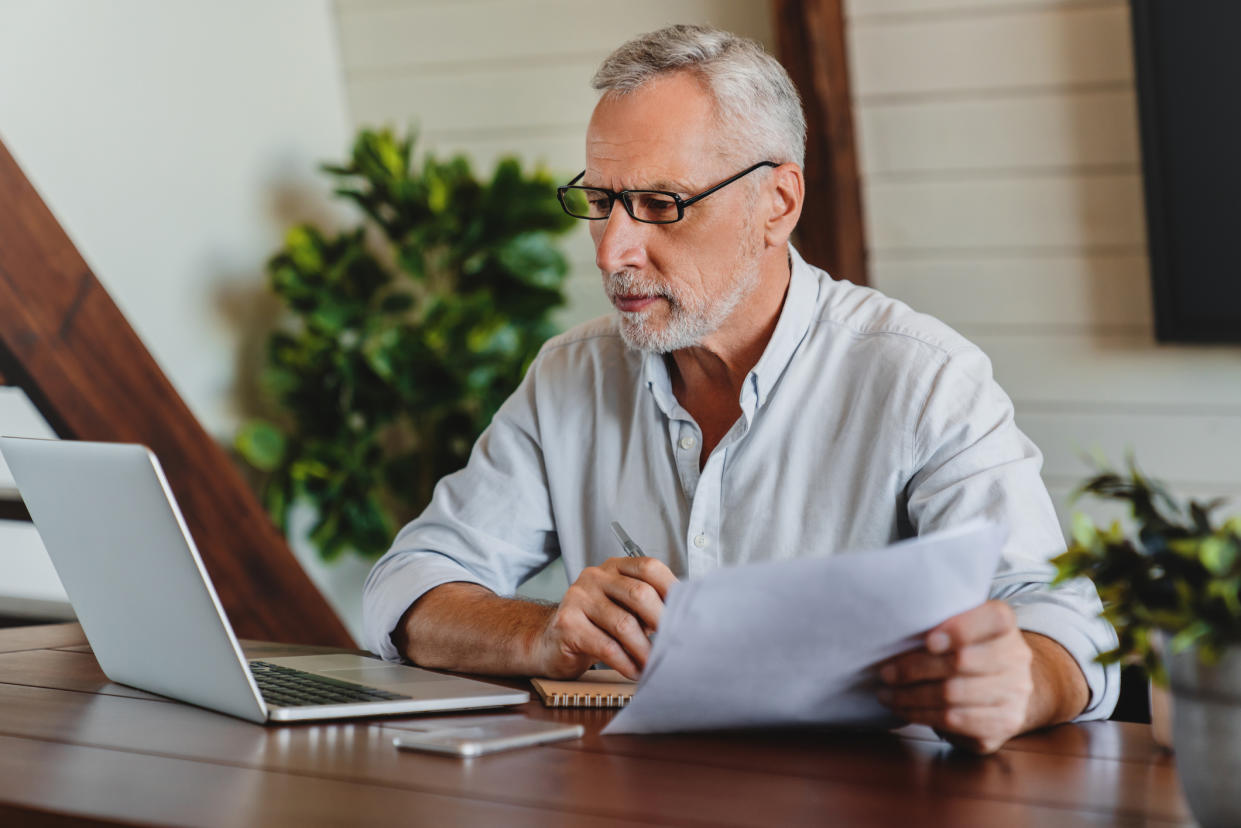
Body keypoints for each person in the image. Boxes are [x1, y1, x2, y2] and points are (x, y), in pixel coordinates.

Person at [363, 24, 1118, 753]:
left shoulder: (921, 377)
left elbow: (1062, 622)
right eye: (599, 201)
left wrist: (1019, 682)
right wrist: (543, 631)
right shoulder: (570, 375)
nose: (614, 250)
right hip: (633, 797)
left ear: (776, 204)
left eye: (661, 204)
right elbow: (408, 585)